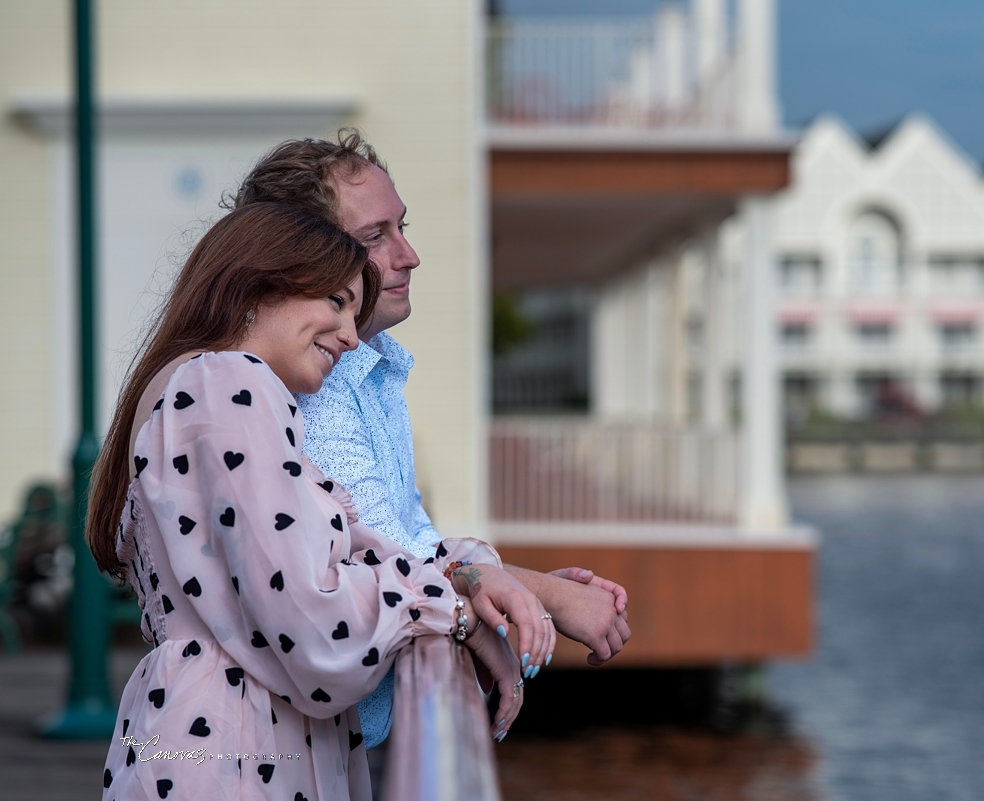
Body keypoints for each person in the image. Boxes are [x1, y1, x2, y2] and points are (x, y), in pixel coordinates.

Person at [87, 203, 548, 800]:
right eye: (336, 302)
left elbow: (332, 561)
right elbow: (314, 621)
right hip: (238, 753)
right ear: (258, 283)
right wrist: (450, 612)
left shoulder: (194, 388)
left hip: (198, 737)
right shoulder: (232, 384)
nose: (353, 336)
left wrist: (463, 573)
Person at [230, 131, 633, 749]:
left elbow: (409, 541)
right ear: (299, 262)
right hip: (269, 749)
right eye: (375, 237)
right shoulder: (313, 391)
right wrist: (548, 598)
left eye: (402, 227)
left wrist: (512, 588)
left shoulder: (368, 370)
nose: (409, 254)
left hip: (319, 744)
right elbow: (377, 562)